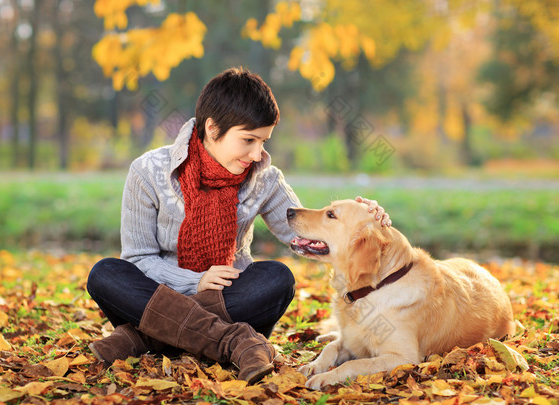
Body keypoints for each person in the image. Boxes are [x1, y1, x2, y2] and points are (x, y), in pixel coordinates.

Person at [86, 67, 391, 384]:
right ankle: (234, 342)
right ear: (213, 128)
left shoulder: (265, 178)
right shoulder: (149, 172)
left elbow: (304, 231)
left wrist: (361, 219)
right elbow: (138, 259)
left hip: (221, 298)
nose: (257, 153)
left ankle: (142, 339)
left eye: (263, 141)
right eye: (248, 140)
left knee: (276, 279)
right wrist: (196, 281)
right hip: (161, 294)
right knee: (106, 274)